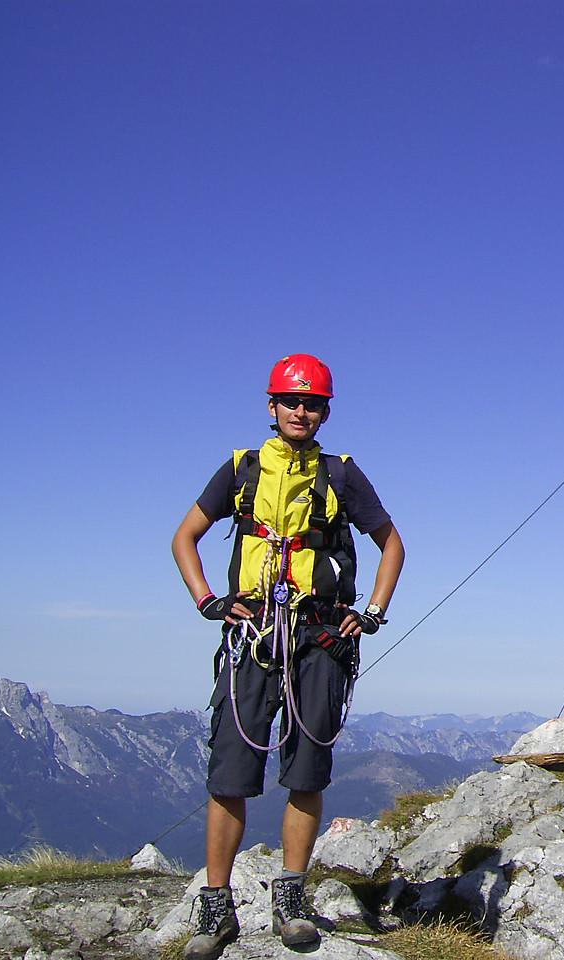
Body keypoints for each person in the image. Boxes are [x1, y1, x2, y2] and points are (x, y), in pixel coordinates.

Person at [172, 354, 405, 960]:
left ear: (324, 411)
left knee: (306, 772)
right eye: (291, 401)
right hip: (254, 635)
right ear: (272, 408)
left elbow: (392, 543)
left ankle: (291, 901)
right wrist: (209, 601)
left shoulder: (341, 475)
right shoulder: (241, 470)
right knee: (229, 774)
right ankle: (217, 909)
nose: (301, 411)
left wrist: (371, 613)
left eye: (312, 403)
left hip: (321, 636)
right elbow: (184, 536)